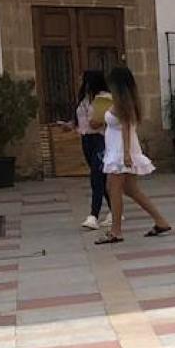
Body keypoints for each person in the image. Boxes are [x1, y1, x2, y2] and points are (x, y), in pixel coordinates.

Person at [97, 65, 173, 244]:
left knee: (113, 189)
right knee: (131, 190)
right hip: (120, 149)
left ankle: (116, 231)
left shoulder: (123, 103)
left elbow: (125, 128)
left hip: (120, 151)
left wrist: (125, 154)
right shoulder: (126, 101)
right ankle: (160, 221)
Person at [59, 69, 113, 229]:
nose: (79, 82)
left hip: (100, 139)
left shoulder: (103, 97)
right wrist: (69, 125)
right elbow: (80, 120)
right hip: (86, 139)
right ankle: (114, 210)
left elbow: (97, 122)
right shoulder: (84, 99)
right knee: (101, 178)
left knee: (96, 176)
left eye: (82, 79)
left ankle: (93, 215)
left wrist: (94, 120)